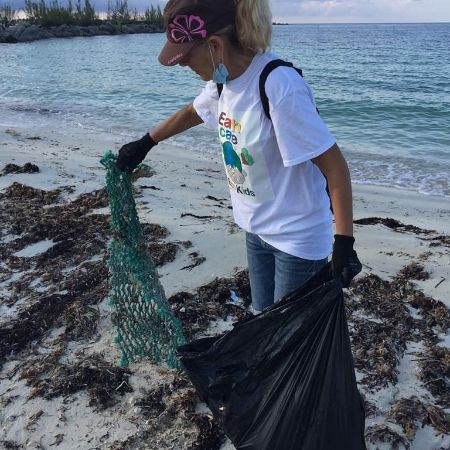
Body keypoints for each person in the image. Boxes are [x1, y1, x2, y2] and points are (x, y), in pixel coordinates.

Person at [117, 0, 362, 313]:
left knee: (287, 336)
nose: (182, 66)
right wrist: (146, 142)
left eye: (185, 57)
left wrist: (344, 241)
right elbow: (192, 112)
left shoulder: (278, 85)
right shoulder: (222, 83)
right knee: (261, 319)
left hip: (296, 239)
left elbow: (334, 166)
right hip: (256, 230)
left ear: (215, 45)